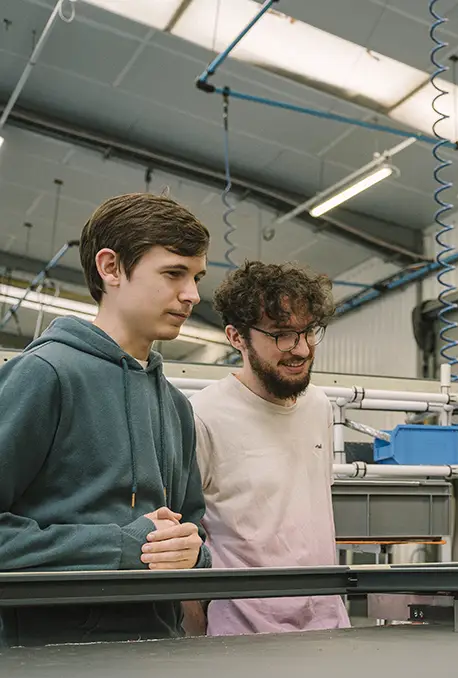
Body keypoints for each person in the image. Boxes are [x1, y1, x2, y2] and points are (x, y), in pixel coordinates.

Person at [0, 192, 212, 647]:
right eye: (173, 273)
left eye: (196, 277)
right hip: (46, 665)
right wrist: (121, 546)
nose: (192, 295)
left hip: (158, 657)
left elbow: (193, 529)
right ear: (111, 267)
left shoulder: (177, 406)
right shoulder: (44, 375)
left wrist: (192, 552)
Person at [186, 260, 349, 636]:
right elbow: (185, 535)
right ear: (236, 337)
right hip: (244, 637)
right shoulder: (203, 415)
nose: (301, 349)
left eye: (308, 331)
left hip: (328, 627)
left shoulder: (318, 405)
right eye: (282, 335)